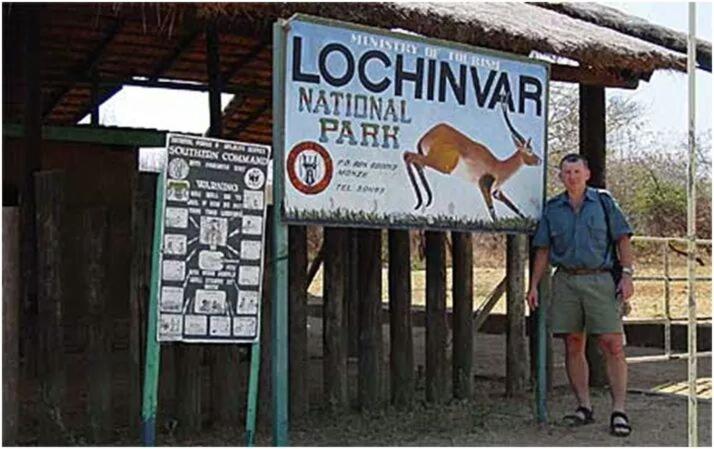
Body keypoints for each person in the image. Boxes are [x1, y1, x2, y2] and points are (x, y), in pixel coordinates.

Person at [527, 153, 635, 437]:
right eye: (566, 172)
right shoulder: (553, 208)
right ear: (561, 176)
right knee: (573, 343)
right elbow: (543, 249)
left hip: (600, 279)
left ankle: (619, 411)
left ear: (587, 173)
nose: (571, 177)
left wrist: (627, 275)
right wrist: (534, 285)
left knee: (612, 344)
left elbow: (623, 238)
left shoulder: (603, 202)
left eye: (576, 171)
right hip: (566, 280)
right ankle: (583, 407)